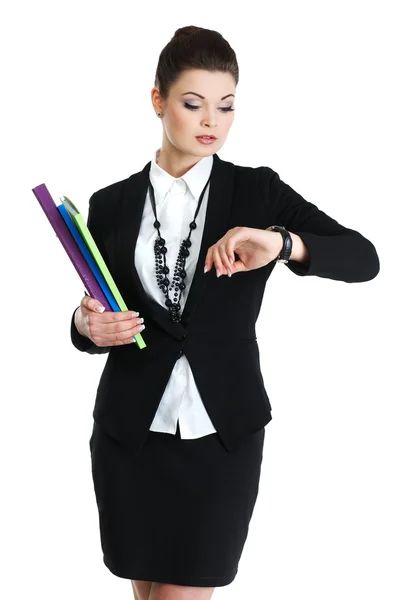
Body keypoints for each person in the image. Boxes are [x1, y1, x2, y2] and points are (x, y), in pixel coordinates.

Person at [70, 25, 380, 600]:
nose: (212, 120)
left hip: (221, 438)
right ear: (158, 100)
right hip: (130, 436)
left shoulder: (257, 193)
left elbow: (365, 258)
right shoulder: (109, 203)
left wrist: (283, 243)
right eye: (193, 104)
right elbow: (97, 306)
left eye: (227, 106)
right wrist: (86, 325)